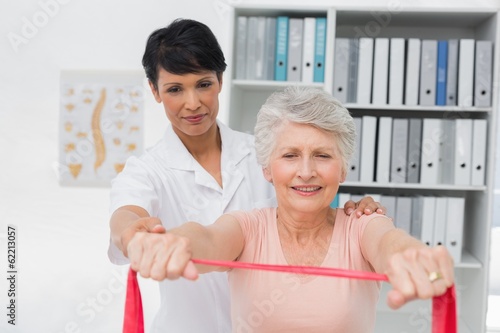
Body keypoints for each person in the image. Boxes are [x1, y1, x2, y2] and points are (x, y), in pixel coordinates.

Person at [108, 19, 384, 332]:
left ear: (220, 80)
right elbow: (127, 214)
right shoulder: (146, 170)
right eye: (175, 89)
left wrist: (359, 214)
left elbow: (314, 207)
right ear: (155, 91)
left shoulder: (269, 154)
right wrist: (133, 234)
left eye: (203, 84)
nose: (193, 103)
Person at [127, 86, 455, 333]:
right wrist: (173, 242)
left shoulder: (362, 224)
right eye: (290, 155)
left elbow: (391, 244)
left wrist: (413, 256)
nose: (307, 171)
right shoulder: (247, 228)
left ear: (343, 170)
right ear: (267, 169)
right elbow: (206, 238)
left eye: (323, 156)